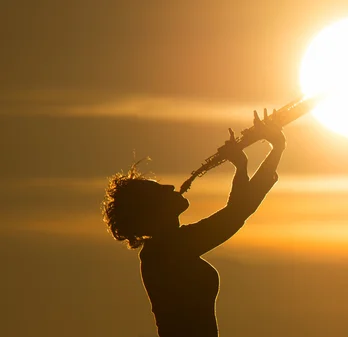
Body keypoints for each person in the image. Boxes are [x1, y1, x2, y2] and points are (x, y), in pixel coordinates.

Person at [101, 109, 286, 337]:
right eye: (160, 190)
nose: (169, 187)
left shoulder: (165, 248)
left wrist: (253, 160)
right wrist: (271, 150)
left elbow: (237, 212)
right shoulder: (164, 251)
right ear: (152, 209)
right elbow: (235, 214)